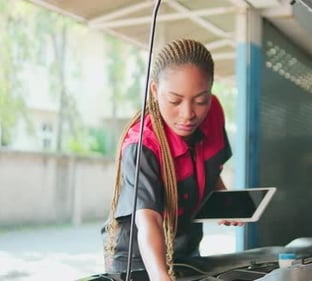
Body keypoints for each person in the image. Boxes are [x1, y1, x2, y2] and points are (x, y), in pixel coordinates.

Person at [102, 38, 241, 281]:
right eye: (175, 100)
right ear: (155, 91)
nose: (188, 114)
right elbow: (148, 221)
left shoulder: (214, 112)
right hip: (137, 259)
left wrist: (224, 201)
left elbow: (210, 166)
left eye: (201, 100)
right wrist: (160, 277)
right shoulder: (142, 145)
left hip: (185, 247)